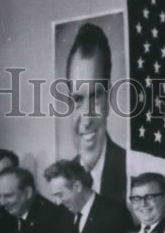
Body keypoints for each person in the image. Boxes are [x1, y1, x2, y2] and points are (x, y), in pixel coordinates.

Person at [50, 22, 128, 202]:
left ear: (109, 99)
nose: (86, 118)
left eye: (95, 97)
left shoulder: (129, 168)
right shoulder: (64, 177)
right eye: (77, 99)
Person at [44, 159, 134, 233]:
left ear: (77, 186)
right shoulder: (62, 213)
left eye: (60, 195)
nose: (58, 201)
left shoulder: (114, 213)